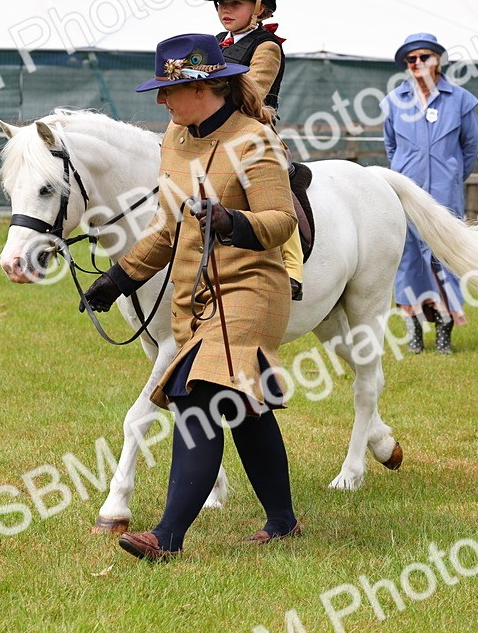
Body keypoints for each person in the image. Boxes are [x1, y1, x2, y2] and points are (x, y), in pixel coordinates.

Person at [82, 33, 301, 561]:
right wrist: (120, 278)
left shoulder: (254, 140)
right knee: (244, 408)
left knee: (196, 397)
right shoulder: (174, 139)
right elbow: (166, 225)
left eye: (168, 90)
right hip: (195, 298)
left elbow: (281, 220)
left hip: (251, 289)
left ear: (202, 88)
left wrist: (231, 221)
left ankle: (167, 536)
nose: (162, 100)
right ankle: (283, 521)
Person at [206, 0, 306, 301]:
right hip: (213, 134)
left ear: (260, 7)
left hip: (253, 133)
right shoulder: (214, 42)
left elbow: (253, 93)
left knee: (275, 187)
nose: (225, 10)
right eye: (221, 3)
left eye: (235, 3)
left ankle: (291, 267)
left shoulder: (266, 47)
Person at [382, 32, 478, 355]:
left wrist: (451, 175)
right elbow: (391, 145)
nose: (417, 63)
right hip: (406, 193)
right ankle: (413, 330)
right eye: (411, 59)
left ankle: (444, 330)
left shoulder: (461, 100)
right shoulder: (395, 101)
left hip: (444, 194)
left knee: (444, 258)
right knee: (408, 258)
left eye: (424, 57)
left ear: (438, 60)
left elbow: (470, 146)